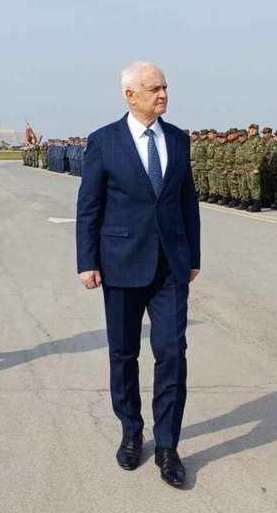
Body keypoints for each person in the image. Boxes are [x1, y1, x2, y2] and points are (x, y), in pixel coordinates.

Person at [76, 61, 200, 488]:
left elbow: (188, 204)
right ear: (131, 95)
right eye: (154, 88)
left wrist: (193, 257)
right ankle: (132, 431)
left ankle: (168, 444)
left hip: (170, 266)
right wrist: (87, 261)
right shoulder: (104, 141)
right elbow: (88, 208)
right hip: (121, 261)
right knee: (123, 354)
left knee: (172, 353)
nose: (163, 94)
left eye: (165, 87)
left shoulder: (179, 140)